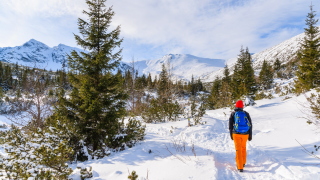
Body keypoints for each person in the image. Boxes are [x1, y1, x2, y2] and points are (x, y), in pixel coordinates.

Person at [229, 100, 252, 172]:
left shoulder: (233, 114)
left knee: (238, 149)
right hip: (245, 134)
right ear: (242, 106)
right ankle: (243, 163)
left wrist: (231, 134)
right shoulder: (246, 113)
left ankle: (240, 167)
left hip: (236, 134)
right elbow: (250, 125)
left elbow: (230, 125)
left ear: (236, 106)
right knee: (243, 148)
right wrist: (250, 135)